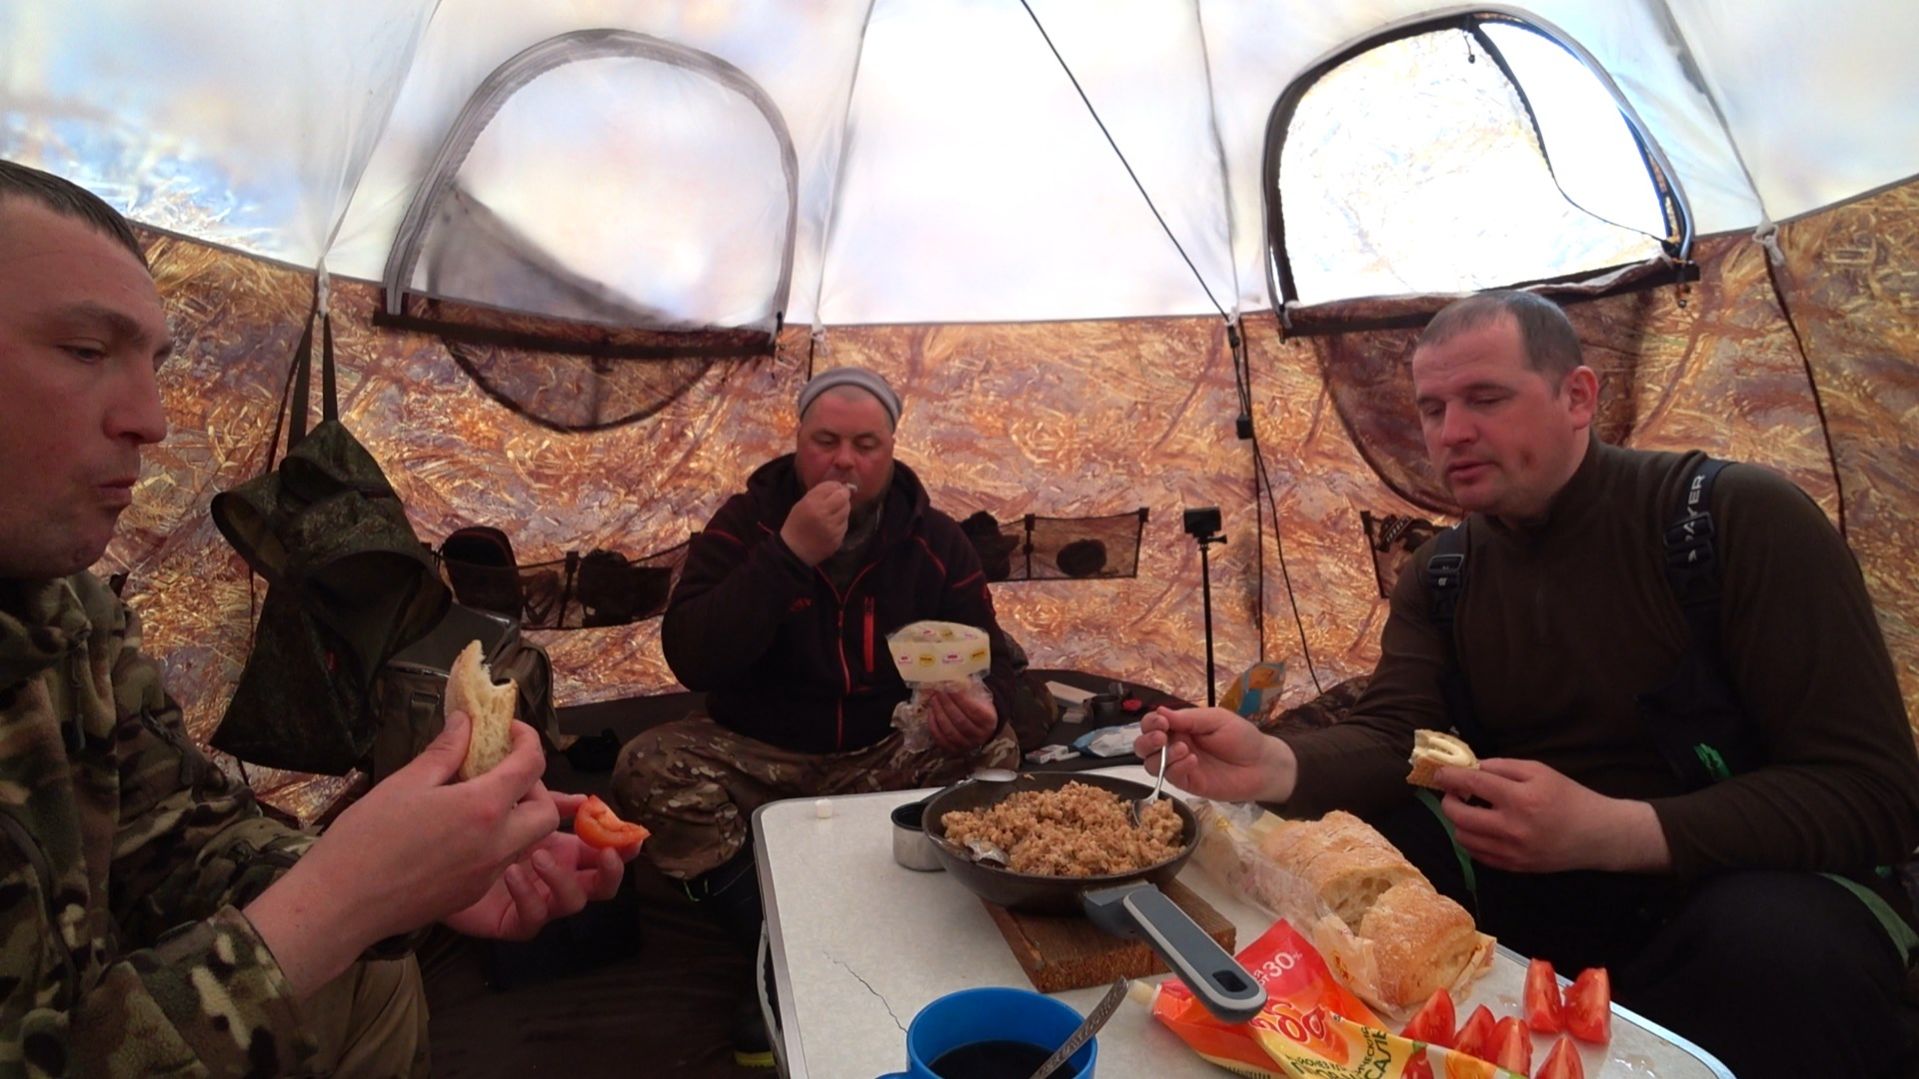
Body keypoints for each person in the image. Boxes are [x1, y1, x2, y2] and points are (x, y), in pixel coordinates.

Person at [1137, 290, 1919, 1079]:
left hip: (1749, 884)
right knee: (1364, 855)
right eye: (1432, 407)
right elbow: (1394, 736)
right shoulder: (1441, 572)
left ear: (1578, 396)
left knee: (1774, 948)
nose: (1452, 432)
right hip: (1542, 886)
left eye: (1485, 398)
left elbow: (1872, 791)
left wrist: (1611, 829)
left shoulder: (1731, 521)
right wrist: (1271, 762)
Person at [0, 159, 640, 1076]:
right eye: (86, 351)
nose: (150, 418)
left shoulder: (71, 618)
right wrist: (333, 904)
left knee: (373, 972)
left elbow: (180, 837)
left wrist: (407, 871)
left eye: (155, 363)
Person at [610, 366, 1020, 1065]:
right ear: (797, 442)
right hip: (761, 751)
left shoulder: (936, 540)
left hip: (882, 752)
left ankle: (942, 930)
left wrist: (982, 710)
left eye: (866, 444)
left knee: (1002, 753)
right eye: (825, 440)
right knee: (645, 765)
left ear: (891, 448)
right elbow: (691, 657)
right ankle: (776, 946)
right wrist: (787, 555)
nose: (844, 461)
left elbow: (997, 667)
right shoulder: (745, 526)